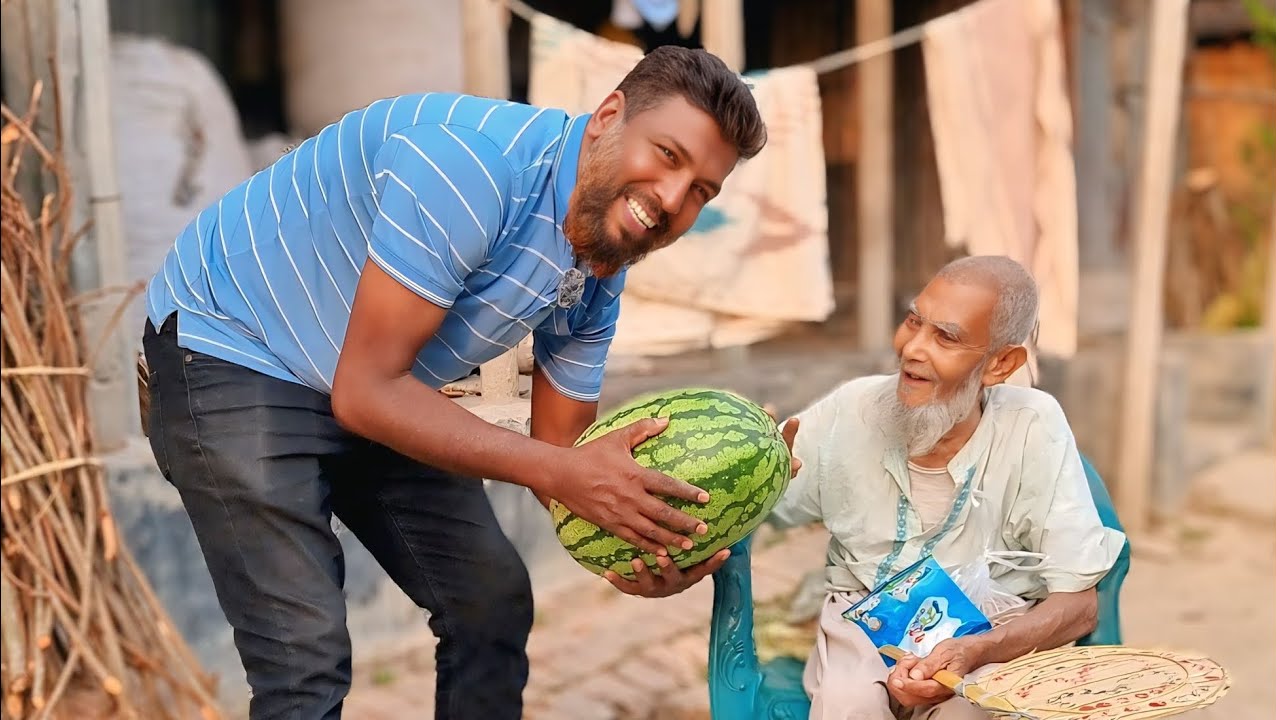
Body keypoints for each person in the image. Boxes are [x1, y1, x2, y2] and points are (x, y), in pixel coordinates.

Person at [140, 46, 766, 720]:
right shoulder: (468, 169)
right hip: (233, 347)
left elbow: (564, 456)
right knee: (303, 659)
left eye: (702, 189)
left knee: (490, 603)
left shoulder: (598, 268)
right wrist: (564, 476)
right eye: (668, 155)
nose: (673, 200)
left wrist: (633, 550)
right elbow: (369, 395)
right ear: (609, 114)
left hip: (375, 378)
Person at [770, 256, 1127, 720]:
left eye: (946, 337)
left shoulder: (1033, 426)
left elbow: (1080, 605)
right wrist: (759, 478)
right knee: (847, 707)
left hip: (989, 628)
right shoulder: (849, 411)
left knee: (969, 711)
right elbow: (759, 509)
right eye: (913, 321)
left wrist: (979, 649)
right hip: (864, 615)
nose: (912, 349)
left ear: (1001, 363)